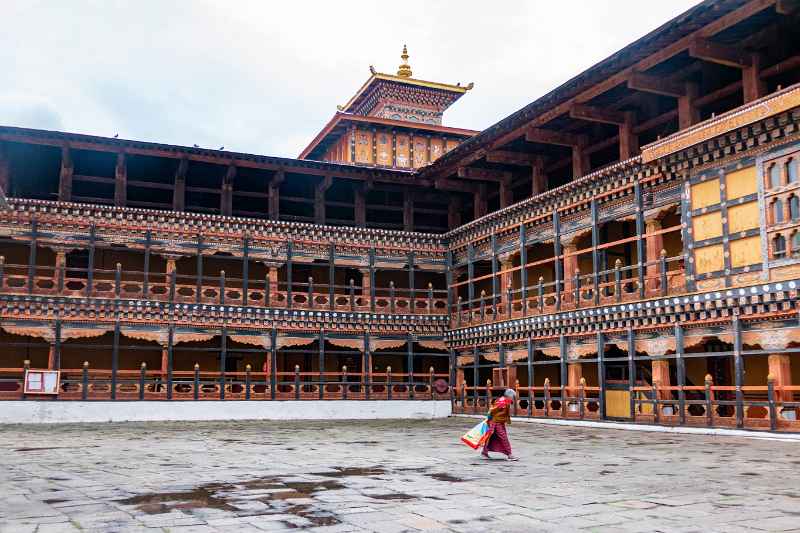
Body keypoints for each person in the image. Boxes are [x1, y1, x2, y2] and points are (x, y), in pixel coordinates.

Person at [482, 389, 519, 461]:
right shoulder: (502, 402)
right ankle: (509, 454)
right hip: (496, 422)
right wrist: (489, 419)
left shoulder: (505, 401)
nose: (513, 398)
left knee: (491, 437)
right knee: (503, 437)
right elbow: (492, 410)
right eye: (513, 397)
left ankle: (484, 452)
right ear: (509, 396)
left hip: (499, 422)